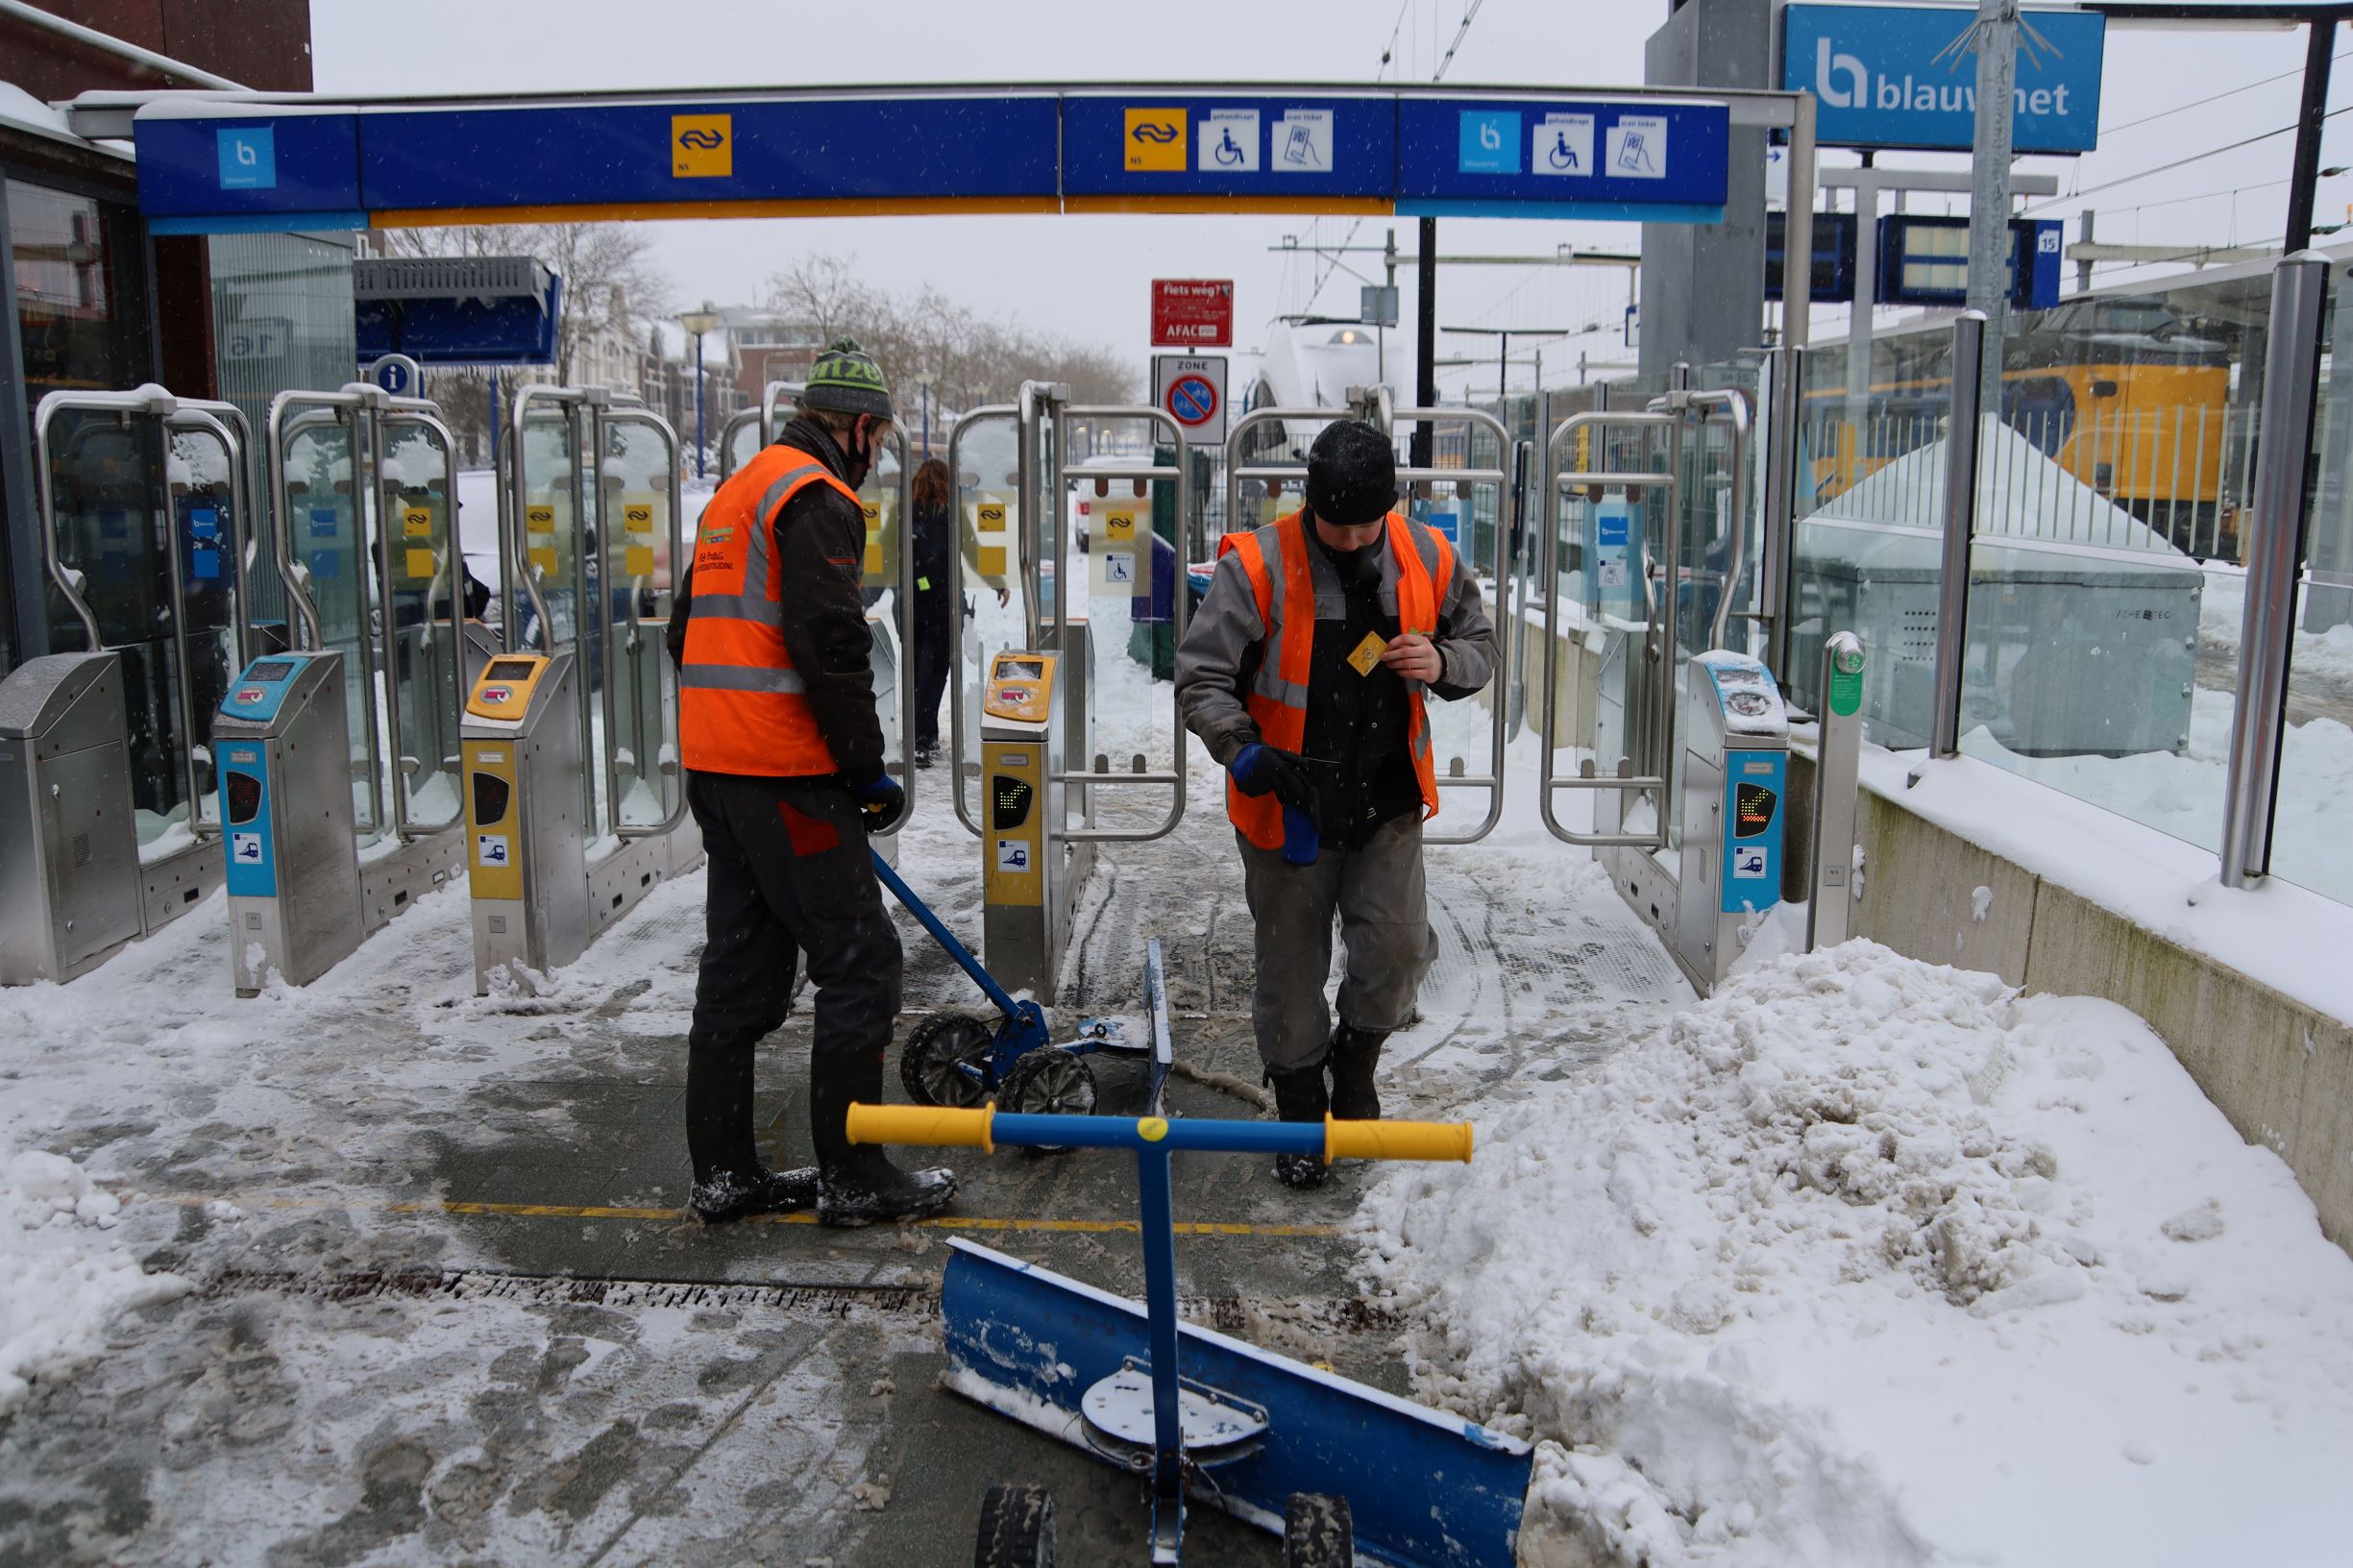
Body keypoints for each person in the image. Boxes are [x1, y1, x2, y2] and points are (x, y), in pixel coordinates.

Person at [665, 336, 956, 1228]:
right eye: (879, 439)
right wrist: (865, 772)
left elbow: (683, 631)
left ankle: (724, 1172)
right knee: (861, 962)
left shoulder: (738, 492)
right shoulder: (816, 498)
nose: (875, 460)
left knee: (741, 966)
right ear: (860, 429)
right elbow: (832, 646)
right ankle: (853, 1174)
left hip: (717, 768)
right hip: (785, 771)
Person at [1174, 420, 1497, 1188]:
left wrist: (1445, 659)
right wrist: (1238, 746)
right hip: (1290, 805)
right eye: (1335, 525)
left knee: (1395, 951)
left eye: (1366, 525)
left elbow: (1481, 646)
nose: (1352, 540)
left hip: (1386, 800)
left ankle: (1354, 1077)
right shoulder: (1254, 564)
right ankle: (1297, 1110)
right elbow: (1201, 677)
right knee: (1288, 974)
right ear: (1306, 501)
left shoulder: (1429, 554)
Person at [907, 456, 1010, 769]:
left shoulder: (906, 511)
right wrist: (998, 584)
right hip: (944, 603)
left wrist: (866, 595)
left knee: (914, 670)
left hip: (911, 603)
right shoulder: (950, 513)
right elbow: (974, 551)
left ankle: (922, 734)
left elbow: (886, 555)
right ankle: (923, 738)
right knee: (935, 672)